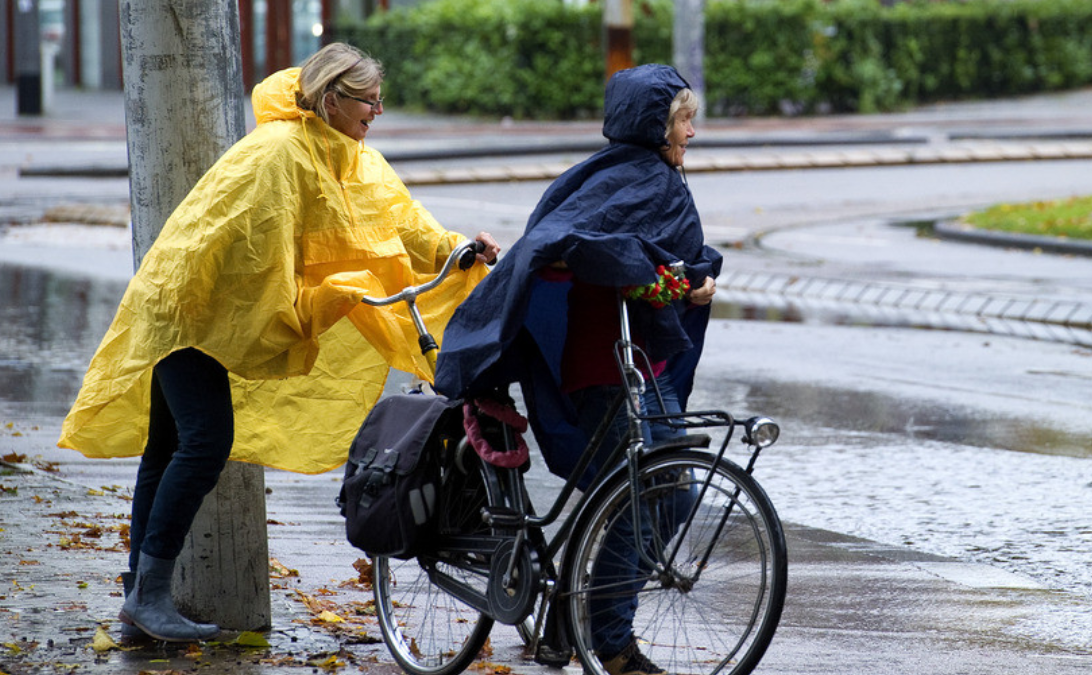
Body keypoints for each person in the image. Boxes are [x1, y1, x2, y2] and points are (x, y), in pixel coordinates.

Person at [57, 43, 499, 643]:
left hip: (209, 313)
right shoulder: (278, 152)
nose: (378, 110)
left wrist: (455, 250)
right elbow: (244, 257)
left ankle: (140, 598)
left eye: (380, 100)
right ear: (333, 99)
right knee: (203, 443)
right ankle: (148, 597)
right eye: (369, 99)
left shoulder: (353, 157)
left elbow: (399, 221)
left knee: (169, 446)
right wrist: (314, 304)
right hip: (190, 309)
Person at [434, 64, 720, 675]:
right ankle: (609, 641)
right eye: (684, 119)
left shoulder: (604, 178)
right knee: (664, 492)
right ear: (655, 124)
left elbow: (626, 257)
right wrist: (684, 285)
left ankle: (570, 622)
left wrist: (678, 278)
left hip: (623, 364)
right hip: (612, 369)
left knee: (630, 495)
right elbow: (615, 265)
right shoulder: (642, 182)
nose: (692, 132)